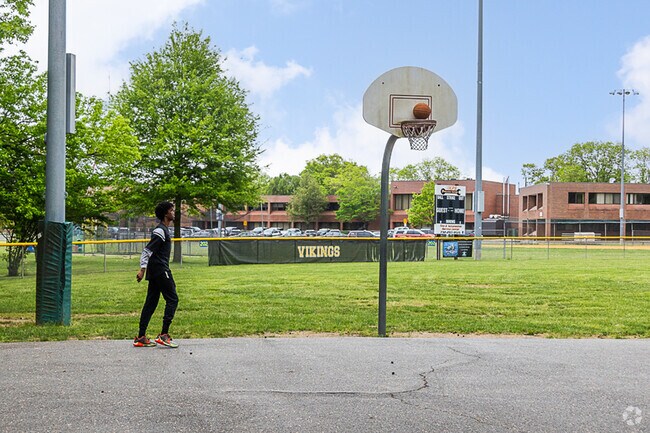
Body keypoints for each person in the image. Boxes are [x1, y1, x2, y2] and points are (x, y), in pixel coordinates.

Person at [133, 201, 179, 348]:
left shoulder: (164, 230)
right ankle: (163, 335)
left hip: (156, 270)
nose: (174, 212)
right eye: (172, 210)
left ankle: (141, 337)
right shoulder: (160, 231)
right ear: (166, 213)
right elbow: (147, 251)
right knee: (173, 299)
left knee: (151, 303)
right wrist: (142, 269)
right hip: (160, 270)